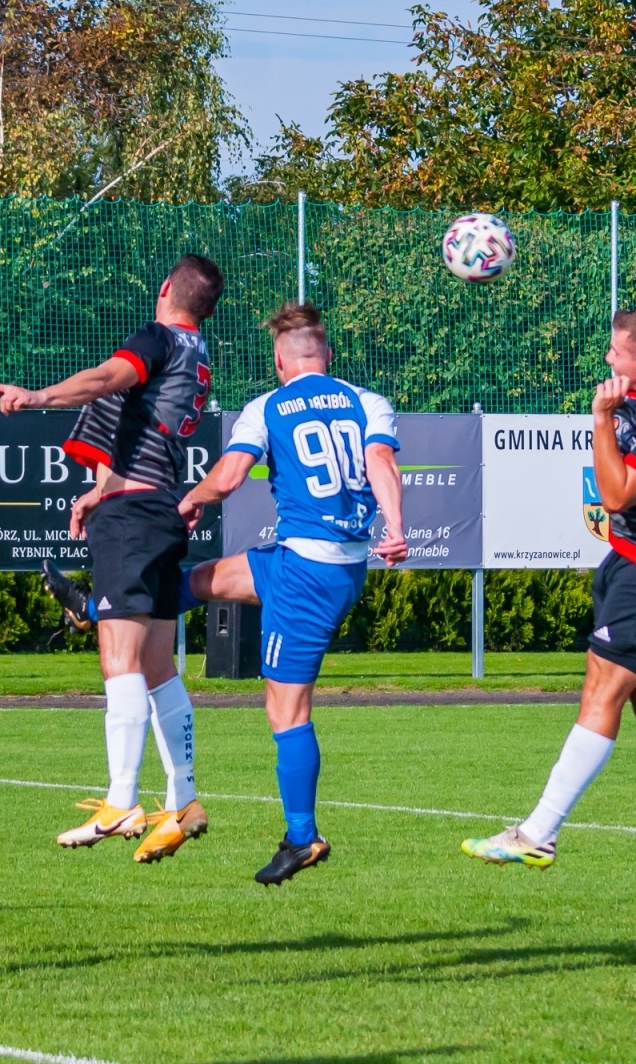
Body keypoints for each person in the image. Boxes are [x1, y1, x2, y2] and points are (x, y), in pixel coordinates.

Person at [49, 303, 409, 884]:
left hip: (305, 578)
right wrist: (395, 527)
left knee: (285, 709)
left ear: (278, 360)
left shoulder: (267, 408)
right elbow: (381, 464)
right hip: (313, 560)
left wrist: (188, 501)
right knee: (188, 582)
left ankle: (302, 837)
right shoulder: (367, 401)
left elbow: (230, 477)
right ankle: (93, 610)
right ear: (329, 355)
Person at [461, 306, 636, 928]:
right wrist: (614, 410)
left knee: (599, 695)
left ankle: (538, 832)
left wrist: (601, 420)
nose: (607, 360)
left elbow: (612, 495)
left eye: (616, 352)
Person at [0, 254, 223, 863]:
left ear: (167, 289)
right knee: (158, 664)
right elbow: (146, 437)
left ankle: (121, 800)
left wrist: (37, 397)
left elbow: (107, 378)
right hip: (161, 509)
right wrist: (101, 488)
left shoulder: (157, 337)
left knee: (118, 658)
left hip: (136, 521)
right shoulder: (197, 355)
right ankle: (185, 798)